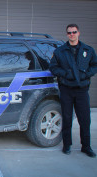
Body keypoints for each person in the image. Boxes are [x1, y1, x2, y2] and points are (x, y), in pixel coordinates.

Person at [49, 24, 97, 157]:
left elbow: (94, 65)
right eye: (69, 33)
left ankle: (86, 147)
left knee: (85, 119)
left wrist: (86, 74)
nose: (72, 34)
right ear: (67, 35)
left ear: (78, 33)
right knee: (67, 118)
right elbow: (53, 67)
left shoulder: (88, 50)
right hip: (66, 89)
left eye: (74, 32)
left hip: (82, 90)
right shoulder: (60, 51)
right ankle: (67, 145)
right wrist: (65, 73)